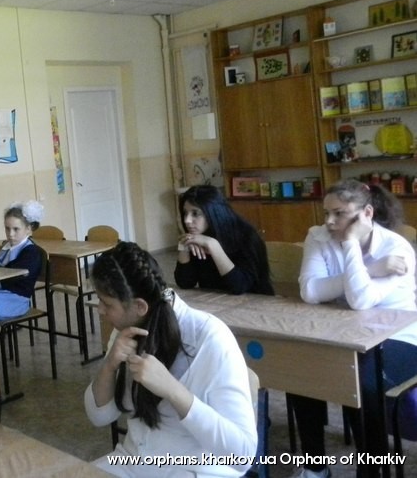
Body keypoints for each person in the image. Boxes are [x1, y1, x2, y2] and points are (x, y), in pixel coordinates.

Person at [85, 241, 257, 477]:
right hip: (133, 462)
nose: (100, 310)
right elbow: (100, 416)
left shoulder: (210, 337)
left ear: (140, 306)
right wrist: (109, 366)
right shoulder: (127, 328)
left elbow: (242, 456)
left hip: (194, 469)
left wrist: (173, 390)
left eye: (107, 304)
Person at [289, 179, 417, 478]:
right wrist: (371, 268)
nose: (330, 222)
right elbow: (310, 291)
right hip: (344, 332)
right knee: (301, 369)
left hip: (399, 335)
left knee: (360, 382)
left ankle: (371, 468)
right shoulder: (318, 236)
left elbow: (360, 300)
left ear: (366, 214)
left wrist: (349, 244)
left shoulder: (396, 248)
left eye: (340, 213)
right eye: (326, 213)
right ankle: (315, 466)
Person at [175, 185, 274, 295]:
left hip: (255, 301)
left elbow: (239, 287)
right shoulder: (197, 237)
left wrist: (213, 246)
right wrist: (184, 246)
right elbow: (185, 283)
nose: (187, 220)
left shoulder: (247, 236)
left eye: (195, 213)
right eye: (185, 213)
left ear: (213, 212)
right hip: (215, 302)